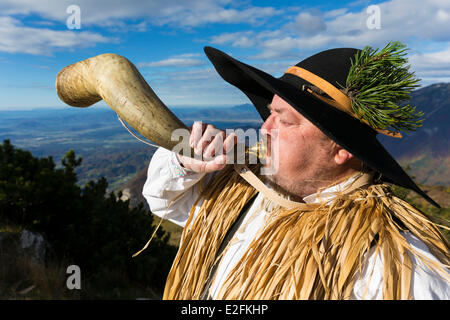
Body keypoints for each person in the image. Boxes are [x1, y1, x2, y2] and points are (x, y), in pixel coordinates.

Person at [142, 42, 449, 300]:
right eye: (270, 113)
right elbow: (162, 199)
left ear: (343, 149)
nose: (264, 129)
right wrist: (186, 160)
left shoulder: (395, 262)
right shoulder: (242, 193)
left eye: (284, 120)